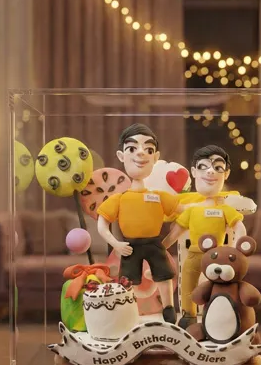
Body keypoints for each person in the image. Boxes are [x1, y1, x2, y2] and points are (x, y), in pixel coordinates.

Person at [97, 123, 182, 324]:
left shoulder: (159, 196)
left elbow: (184, 216)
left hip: (155, 243)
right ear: (121, 156)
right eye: (132, 148)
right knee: (129, 280)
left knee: (164, 275)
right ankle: (131, 310)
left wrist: (167, 242)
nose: (141, 153)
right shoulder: (119, 199)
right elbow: (102, 224)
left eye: (149, 149)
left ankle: (168, 308)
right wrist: (116, 244)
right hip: (129, 246)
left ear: (156, 157)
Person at [162, 145, 246, 330]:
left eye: (218, 167)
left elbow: (239, 227)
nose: (210, 171)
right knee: (187, 285)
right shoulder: (191, 210)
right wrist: (159, 249)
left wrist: (236, 250)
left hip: (217, 257)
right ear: (193, 172)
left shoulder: (225, 209)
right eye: (203, 166)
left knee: (218, 287)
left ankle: (215, 316)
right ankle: (189, 315)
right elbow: (174, 234)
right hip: (193, 254)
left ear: (226, 174)